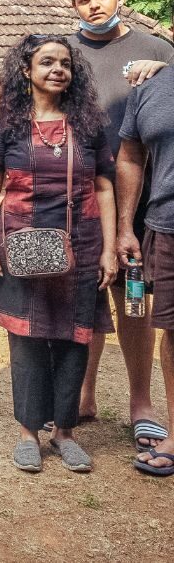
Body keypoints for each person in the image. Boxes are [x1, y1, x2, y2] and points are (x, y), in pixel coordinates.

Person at [0, 34, 117, 474]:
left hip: (83, 241)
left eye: (64, 63)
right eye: (46, 62)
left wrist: (110, 248)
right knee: (27, 339)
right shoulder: (7, 125)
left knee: (75, 338)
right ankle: (28, 433)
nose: (57, 69)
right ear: (26, 71)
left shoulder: (89, 125)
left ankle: (66, 432)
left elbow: (105, 186)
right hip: (19, 241)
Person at [66, 0, 173, 449]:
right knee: (83, 297)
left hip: (140, 198)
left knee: (133, 302)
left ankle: (141, 402)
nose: (94, 6)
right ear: (74, 5)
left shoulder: (156, 51)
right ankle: (82, 395)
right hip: (78, 197)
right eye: (84, 0)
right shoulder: (62, 52)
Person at [117, 64, 174, 476]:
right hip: (166, 223)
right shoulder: (150, 85)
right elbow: (131, 156)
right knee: (172, 331)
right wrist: (125, 226)